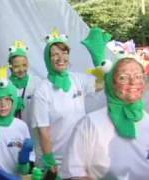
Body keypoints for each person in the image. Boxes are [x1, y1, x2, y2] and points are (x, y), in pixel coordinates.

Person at [60, 56, 149, 180]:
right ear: (112, 83)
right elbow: (74, 173)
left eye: (138, 77)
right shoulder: (90, 124)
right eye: (123, 78)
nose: (132, 82)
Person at [30, 29, 101, 175]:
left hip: (78, 156)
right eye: (55, 54)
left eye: (64, 53)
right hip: (55, 161)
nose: (61, 57)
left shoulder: (77, 79)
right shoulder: (42, 90)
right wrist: (50, 160)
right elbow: (43, 131)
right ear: (47, 59)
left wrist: (99, 58)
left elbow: (105, 83)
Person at [8, 41, 41, 128]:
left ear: (28, 64)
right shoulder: (6, 84)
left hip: (32, 129)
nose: (21, 69)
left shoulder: (36, 82)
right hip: (12, 129)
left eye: (24, 65)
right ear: (10, 66)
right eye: (16, 66)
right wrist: (12, 107)